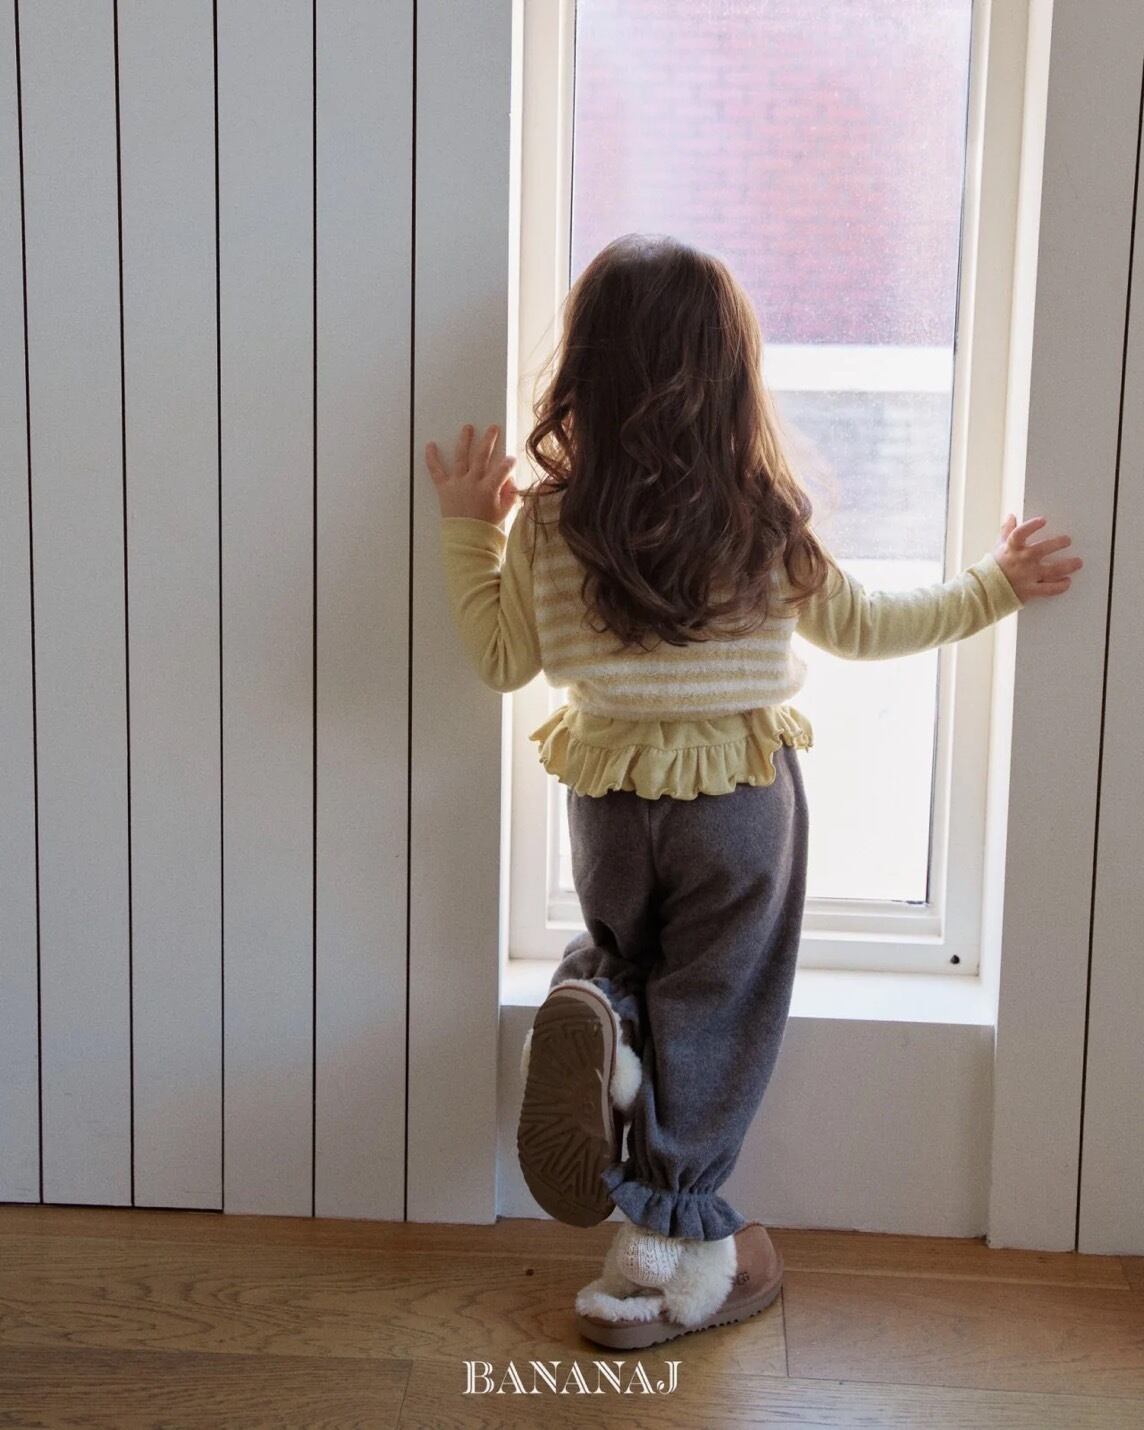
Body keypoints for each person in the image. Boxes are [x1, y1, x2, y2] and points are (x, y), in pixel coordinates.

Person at [424, 233, 1081, 1351]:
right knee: (719, 1012)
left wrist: (466, 527)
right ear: (732, 375)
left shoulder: (551, 522)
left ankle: (606, 1027)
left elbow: (498, 658)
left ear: (585, 372)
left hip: (607, 806)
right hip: (736, 807)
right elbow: (870, 628)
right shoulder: (762, 516)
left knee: (632, 959)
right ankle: (660, 1261)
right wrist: (995, 585)